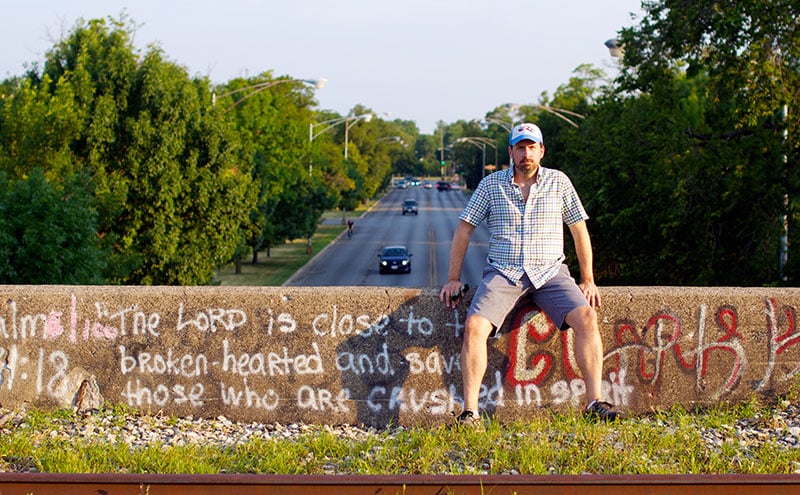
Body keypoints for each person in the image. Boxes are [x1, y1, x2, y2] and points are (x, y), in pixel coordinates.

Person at [439, 122, 618, 427]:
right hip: (503, 272)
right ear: (511, 151)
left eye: (532, 147)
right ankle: (470, 412)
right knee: (474, 325)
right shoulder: (491, 185)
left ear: (542, 150)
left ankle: (594, 402)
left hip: (550, 272)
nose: (526, 154)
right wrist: (453, 277)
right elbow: (464, 230)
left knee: (587, 318)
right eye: (520, 148)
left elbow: (579, 231)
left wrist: (587, 278)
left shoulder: (559, 183)